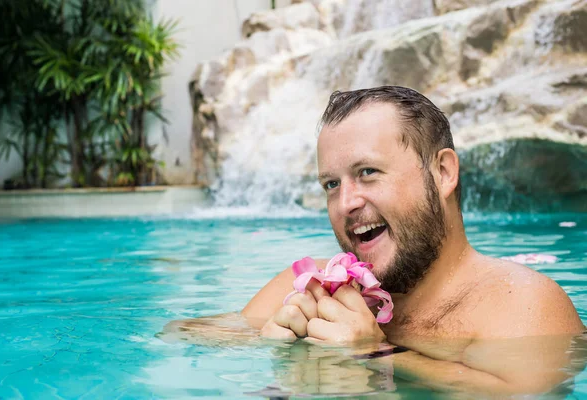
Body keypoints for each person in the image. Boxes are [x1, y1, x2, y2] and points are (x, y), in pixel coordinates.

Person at [166, 86, 585, 395]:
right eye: (331, 183)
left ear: (442, 173)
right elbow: (179, 334)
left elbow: (519, 395)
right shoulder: (313, 286)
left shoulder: (522, 303)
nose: (345, 202)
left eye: (367, 172)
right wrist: (274, 340)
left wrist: (377, 353)